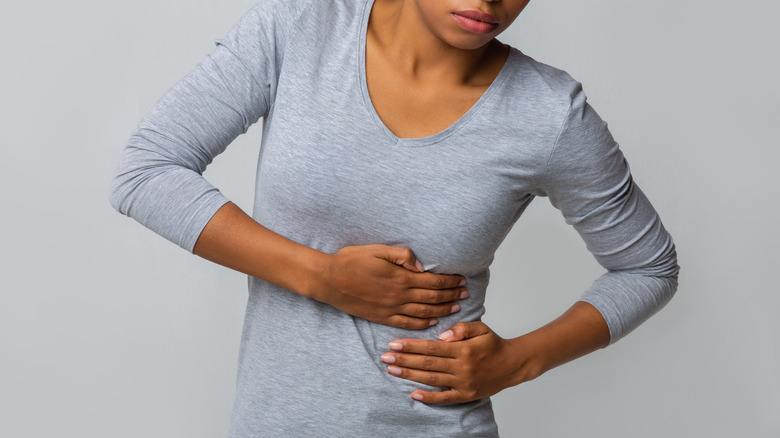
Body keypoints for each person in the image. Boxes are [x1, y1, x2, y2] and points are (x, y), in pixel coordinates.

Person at [110, 0, 679, 436]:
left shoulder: (549, 113)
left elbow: (648, 268)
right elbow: (148, 172)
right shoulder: (300, 29)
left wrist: (517, 362)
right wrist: (319, 276)